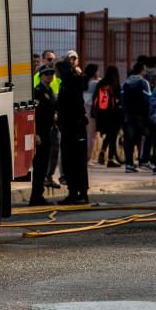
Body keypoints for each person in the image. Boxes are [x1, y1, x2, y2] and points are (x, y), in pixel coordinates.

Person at [55, 60, 89, 205]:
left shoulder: (71, 83)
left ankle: (79, 192)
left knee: (76, 162)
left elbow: (73, 107)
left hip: (74, 129)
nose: (55, 73)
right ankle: (74, 192)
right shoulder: (67, 82)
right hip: (70, 128)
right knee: (70, 162)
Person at [29, 66, 58, 206]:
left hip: (48, 132)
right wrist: (35, 134)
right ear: (40, 76)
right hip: (40, 133)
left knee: (44, 164)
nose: (49, 76)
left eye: (51, 74)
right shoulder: (37, 92)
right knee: (39, 165)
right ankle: (35, 197)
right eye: (46, 74)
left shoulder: (49, 91)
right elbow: (34, 115)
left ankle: (39, 195)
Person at [122, 62, 151, 173]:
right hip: (142, 115)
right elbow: (148, 98)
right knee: (146, 138)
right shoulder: (144, 82)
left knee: (129, 140)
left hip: (128, 115)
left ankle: (129, 164)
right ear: (142, 70)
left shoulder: (125, 82)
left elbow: (122, 97)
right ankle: (143, 161)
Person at [93, 66, 123, 167]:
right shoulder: (115, 84)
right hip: (114, 113)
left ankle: (102, 151)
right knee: (113, 136)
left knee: (109, 134)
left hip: (103, 113)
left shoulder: (101, 83)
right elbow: (118, 99)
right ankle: (110, 158)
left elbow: (95, 98)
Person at [81, 63, 101, 162]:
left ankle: (82, 155)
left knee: (84, 134)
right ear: (94, 72)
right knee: (91, 135)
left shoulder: (83, 82)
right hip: (91, 111)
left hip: (82, 109)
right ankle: (87, 157)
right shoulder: (95, 83)